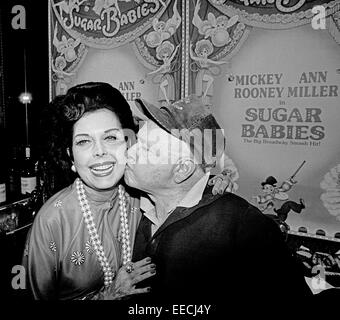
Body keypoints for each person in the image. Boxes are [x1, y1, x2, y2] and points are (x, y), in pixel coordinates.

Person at [23, 82, 235, 300]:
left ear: (128, 143)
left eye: (111, 137)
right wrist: (106, 297)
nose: (100, 152)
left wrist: (211, 185)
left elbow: (182, 187)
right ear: (71, 156)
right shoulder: (52, 221)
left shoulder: (141, 197)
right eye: (84, 141)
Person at [125, 95, 313, 304]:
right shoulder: (129, 204)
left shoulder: (245, 227)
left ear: (182, 169)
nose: (129, 152)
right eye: (136, 141)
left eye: (146, 148)